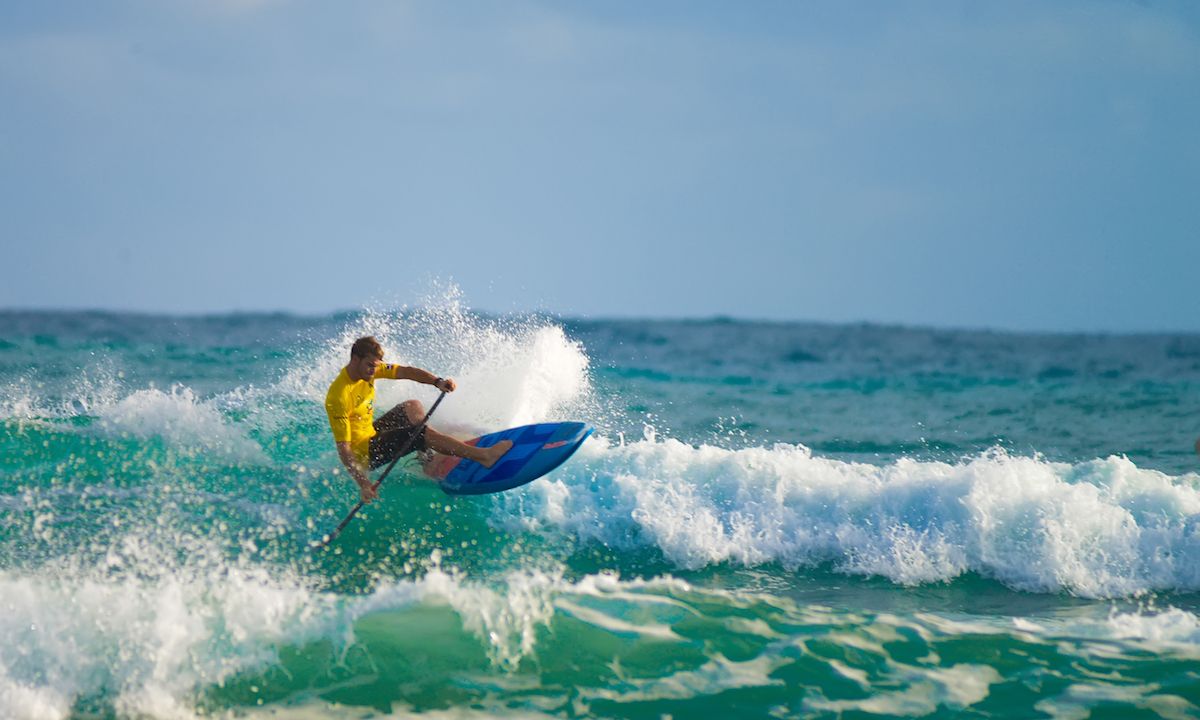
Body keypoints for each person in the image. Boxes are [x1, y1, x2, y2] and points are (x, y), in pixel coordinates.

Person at [325, 336, 512, 504]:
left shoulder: (369, 368)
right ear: (355, 359)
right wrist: (363, 483)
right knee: (419, 433)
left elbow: (407, 372)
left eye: (376, 366)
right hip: (364, 454)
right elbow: (344, 449)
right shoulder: (339, 396)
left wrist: (437, 382)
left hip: (370, 433)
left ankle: (426, 457)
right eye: (371, 366)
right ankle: (484, 456)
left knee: (412, 406)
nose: (375, 371)